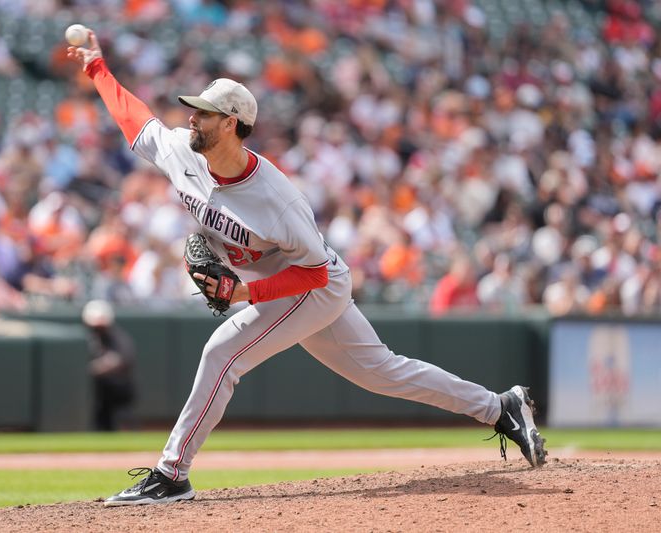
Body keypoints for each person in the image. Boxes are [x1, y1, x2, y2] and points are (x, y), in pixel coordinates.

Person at [67, 30, 548, 506]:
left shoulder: (277, 199)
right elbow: (136, 121)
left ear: (232, 124)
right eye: (193, 109)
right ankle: (500, 407)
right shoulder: (182, 153)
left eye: (204, 113)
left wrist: (243, 296)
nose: (191, 117)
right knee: (383, 372)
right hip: (295, 285)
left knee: (222, 354)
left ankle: (172, 474)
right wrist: (96, 66)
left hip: (312, 285)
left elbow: (314, 274)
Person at [82, 300, 138, 431]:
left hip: (119, 391)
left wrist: (98, 367)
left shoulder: (118, 337)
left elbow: (125, 358)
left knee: (124, 422)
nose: (98, 329)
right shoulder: (88, 338)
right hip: (97, 394)